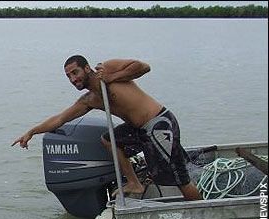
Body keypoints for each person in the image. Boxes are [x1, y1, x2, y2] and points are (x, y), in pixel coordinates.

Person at [11, 55, 202, 201]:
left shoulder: (107, 68)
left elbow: (143, 67)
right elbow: (60, 119)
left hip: (159, 123)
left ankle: (202, 211)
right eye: (68, 76)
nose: (72, 79)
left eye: (75, 72)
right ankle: (135, 184)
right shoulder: (90, 99)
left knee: (179, 178)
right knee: (109, 139)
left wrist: (112, 77)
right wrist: (31, 132)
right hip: (139, 130)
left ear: (87, 68)